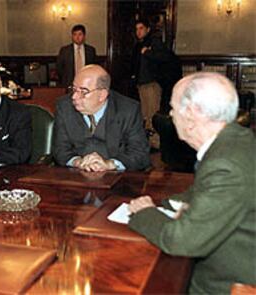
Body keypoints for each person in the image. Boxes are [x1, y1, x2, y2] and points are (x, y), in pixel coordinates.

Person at [128, 72, 256, 294]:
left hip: (223, 283)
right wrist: (168, 204)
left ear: (191, 113)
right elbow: (205, 191)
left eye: (173, 108)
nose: (170, 114)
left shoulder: (226, 165)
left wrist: (145, 212)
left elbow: (181, 241)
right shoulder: (236, 138)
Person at [53, 64, 150, 172]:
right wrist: (78, 162)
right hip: (76, 175)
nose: (74, 97)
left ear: (102, 95)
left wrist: (110, 164)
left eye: (83, 91)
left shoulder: (128, 109)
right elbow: (59, 150)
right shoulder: (64, 106)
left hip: (118, 178)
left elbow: (140, 154)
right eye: (74, 89)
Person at [131, 18, 182, 148]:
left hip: (152, 83)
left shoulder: (155, 42)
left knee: (153, 114)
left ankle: (156, 142)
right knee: (145, 114)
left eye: (141, 28)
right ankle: (148, 141)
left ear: (148, 29)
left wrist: (147, 52)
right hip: (141, 83)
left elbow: (165, 58)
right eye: (136, 29)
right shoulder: (138, 45)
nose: (138, 31)